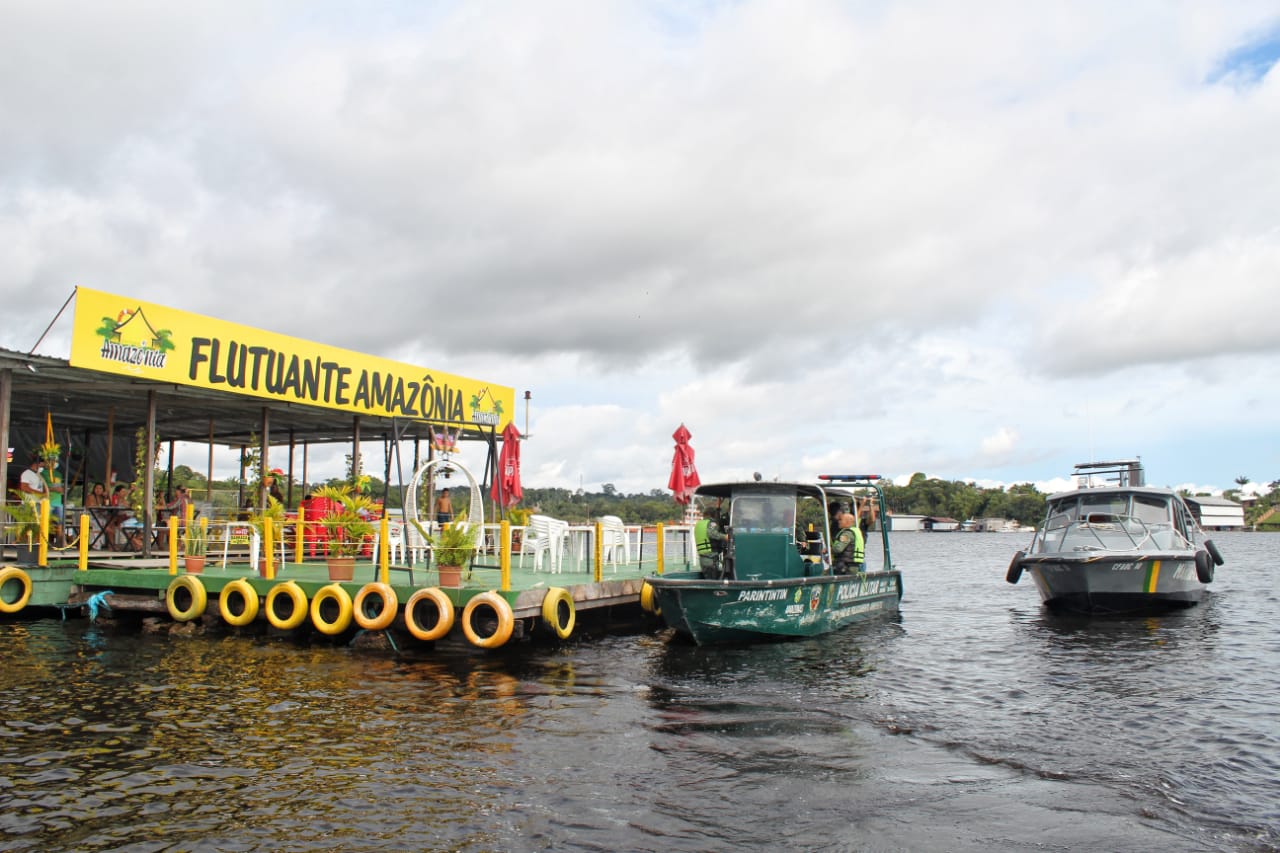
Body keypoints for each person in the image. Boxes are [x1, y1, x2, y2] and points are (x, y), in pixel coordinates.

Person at [694, 505, 729, 579]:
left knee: (708, 578)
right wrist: (725, 537)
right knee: (713, 580)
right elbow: (711, 533)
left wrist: (718, 506)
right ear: (713, 514)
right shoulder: (711, 523)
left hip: (703, 558)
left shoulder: (699, 524)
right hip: (711, 558)